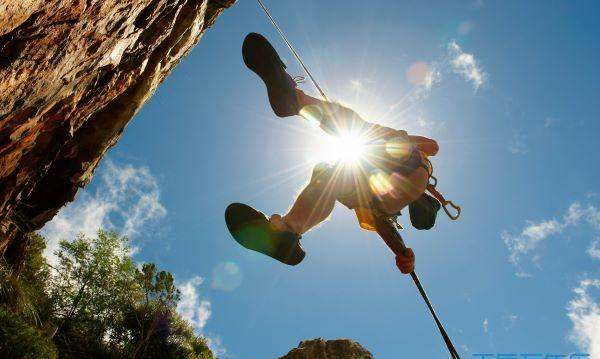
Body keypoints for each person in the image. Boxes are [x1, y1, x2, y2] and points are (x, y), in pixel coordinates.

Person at [225, 33, 439, 273]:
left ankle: (296, 101)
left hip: (390, 160)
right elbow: (384, 225)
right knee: (329, 176)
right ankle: (286, 232)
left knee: (354, 133)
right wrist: (401, 253)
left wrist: (394, 137)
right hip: (377, 176)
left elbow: (432, 145)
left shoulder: (415, 178)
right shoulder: (385, 209)